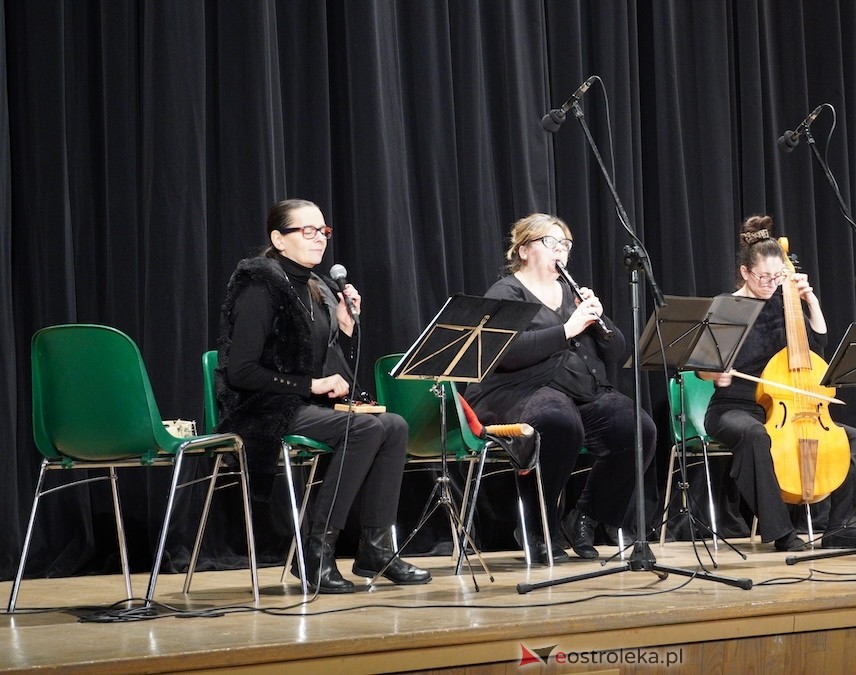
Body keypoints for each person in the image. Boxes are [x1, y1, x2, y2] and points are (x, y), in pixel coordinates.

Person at [215, 198, 430, 593]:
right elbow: (240, 371)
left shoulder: (317, 288)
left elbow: (327, 365)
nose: (319, 239)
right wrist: (310, 387)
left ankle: (377, 549)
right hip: (261, 409)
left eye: (323, 231)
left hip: (304, 404)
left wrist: (345, 330)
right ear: (279, 239)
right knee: (363, 430)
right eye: (307, 231)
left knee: (394, 426)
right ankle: (313, 553)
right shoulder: (261, 286)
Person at [464, 213, 656, 564]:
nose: (560, 252)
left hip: (579, 392)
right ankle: (537, 529)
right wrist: (567, 329)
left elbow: (617, 352)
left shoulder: (570, 292)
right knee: (558, 423)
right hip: (516, 391)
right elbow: (505, 353)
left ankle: (585, 518)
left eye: (565, 245)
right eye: (550, 243)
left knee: (636, 427)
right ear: (524, 250)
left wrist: (598, 319)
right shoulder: (506, 292)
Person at [699, 215, 856, 551]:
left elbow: (818, 345)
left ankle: (842, 528)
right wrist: (715, 374)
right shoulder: (728, 306)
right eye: (763, 277)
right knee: (755, 435)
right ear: (745, 273)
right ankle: (781, 532)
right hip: (735, 406)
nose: (770, 283)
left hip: (791, 408)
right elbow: (704, 369)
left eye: (776, 276)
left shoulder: (786, 303)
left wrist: (810, 301)